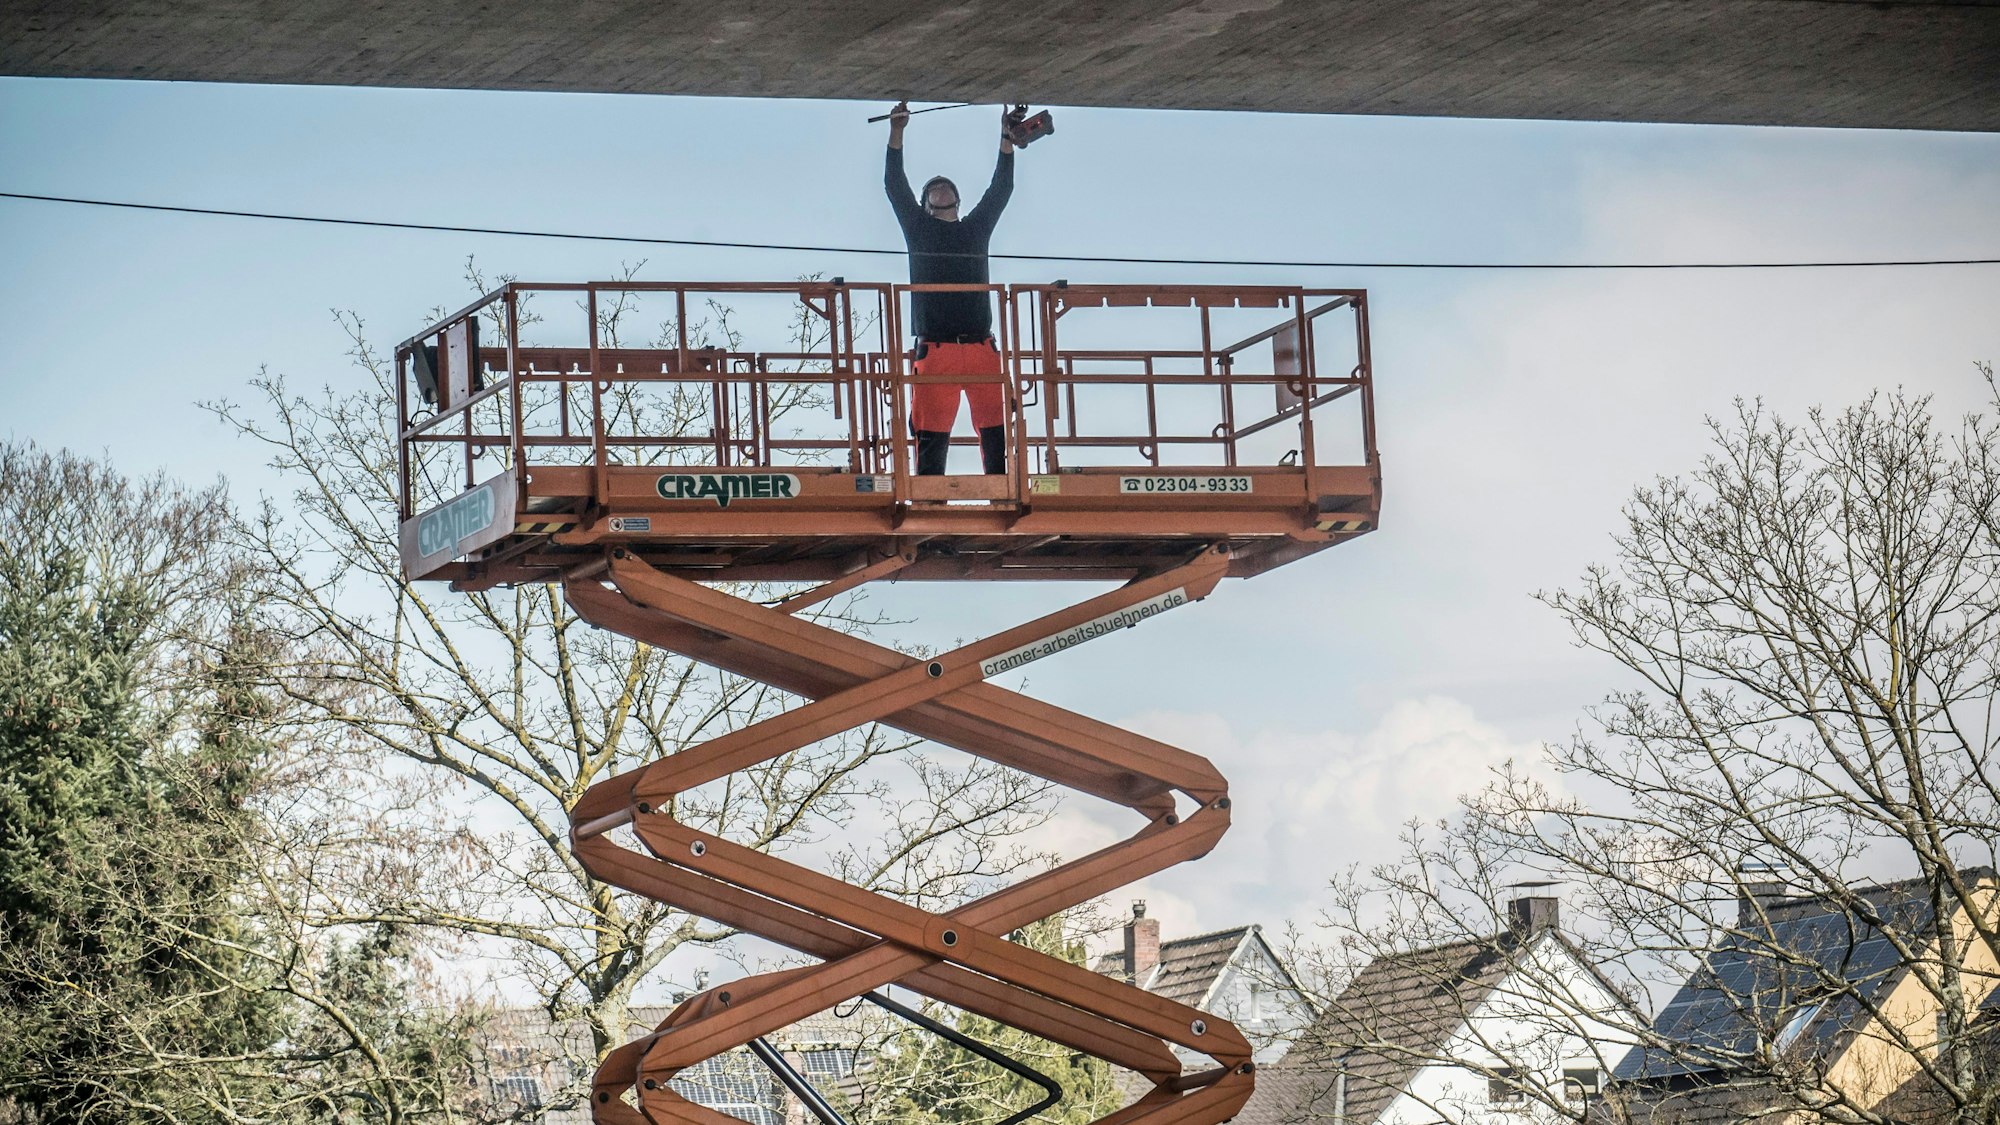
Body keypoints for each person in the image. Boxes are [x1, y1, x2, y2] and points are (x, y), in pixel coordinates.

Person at [884, 100, 1015, 475]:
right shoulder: (918, 229)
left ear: (957, 201)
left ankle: (1000, 493)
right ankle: (929, 503)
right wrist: (897, 133)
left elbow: (1001, 189)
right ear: (925, 206)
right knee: (930, 432)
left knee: (995, 427)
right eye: (933, 189)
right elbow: (895, 187)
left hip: (980, 348)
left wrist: (1006, 140)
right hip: (936, 351)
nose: (941, 189)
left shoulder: (975, 229)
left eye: (946, 188)